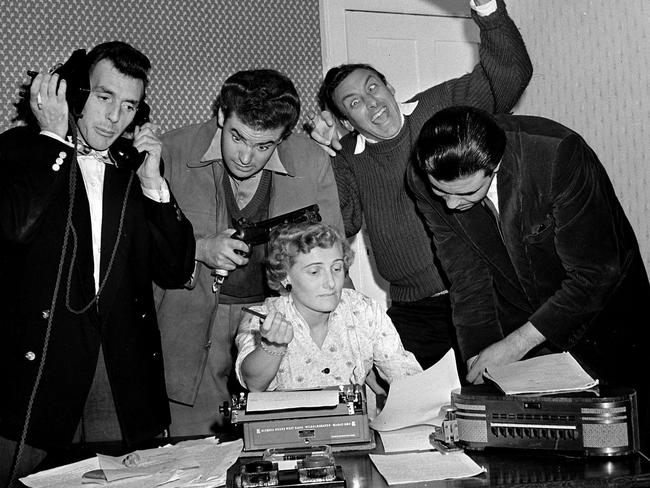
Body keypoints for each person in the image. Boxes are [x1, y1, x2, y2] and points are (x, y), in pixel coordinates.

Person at [0, 41, 195, 483]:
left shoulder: (132, 170)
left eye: (129, 105)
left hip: (118, 369)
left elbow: (178, 268)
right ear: (74, 93)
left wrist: (153, 183)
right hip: (40, 366)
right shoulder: (19, 150)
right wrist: (52, 139)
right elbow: (14, 228)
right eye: (105, 98)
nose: (115, 118)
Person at [309, 0, 533, 374]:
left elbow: (509, 77)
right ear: (346, 121)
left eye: (373, 87)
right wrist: (324, 157)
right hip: (414, 310)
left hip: (482, 299)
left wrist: (489, 11)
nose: (371, 102)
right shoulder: (347, 155)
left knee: (491, 400)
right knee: (400, 404)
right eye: (354, 103)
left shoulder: (439, 106)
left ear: (389, 86)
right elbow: (343, 223)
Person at [408, 105, 650, 449]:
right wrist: (481, 361)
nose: (449, 205)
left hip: (605, 317)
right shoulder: (424, 177)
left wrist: (513, 346)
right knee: (537, 448)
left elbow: (594, 273)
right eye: (441, 192)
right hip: (522, 320)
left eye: (464, 194)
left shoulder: (556, 155)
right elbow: (467, 277)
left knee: (625, 445)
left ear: (495, 165)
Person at [155, 69, 345, 435]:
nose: (245, 157)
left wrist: (352, 332)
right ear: (221, 116)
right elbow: (134, 245)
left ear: (283, 137)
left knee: (275, 445)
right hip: (187, 323)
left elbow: (330, 251)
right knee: (193, 452)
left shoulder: (310, 161)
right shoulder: (171, 152)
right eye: (237, 137)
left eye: (264, 146)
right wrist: (199, 247)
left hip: (276, 322)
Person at [235, 222, 422, 391]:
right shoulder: (261, 317)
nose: (331, 283)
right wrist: (273, 347)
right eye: (315, 272)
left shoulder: (364, 310)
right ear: (285, 276)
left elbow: (404, 374)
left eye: (337, 268)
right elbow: (253, 384)